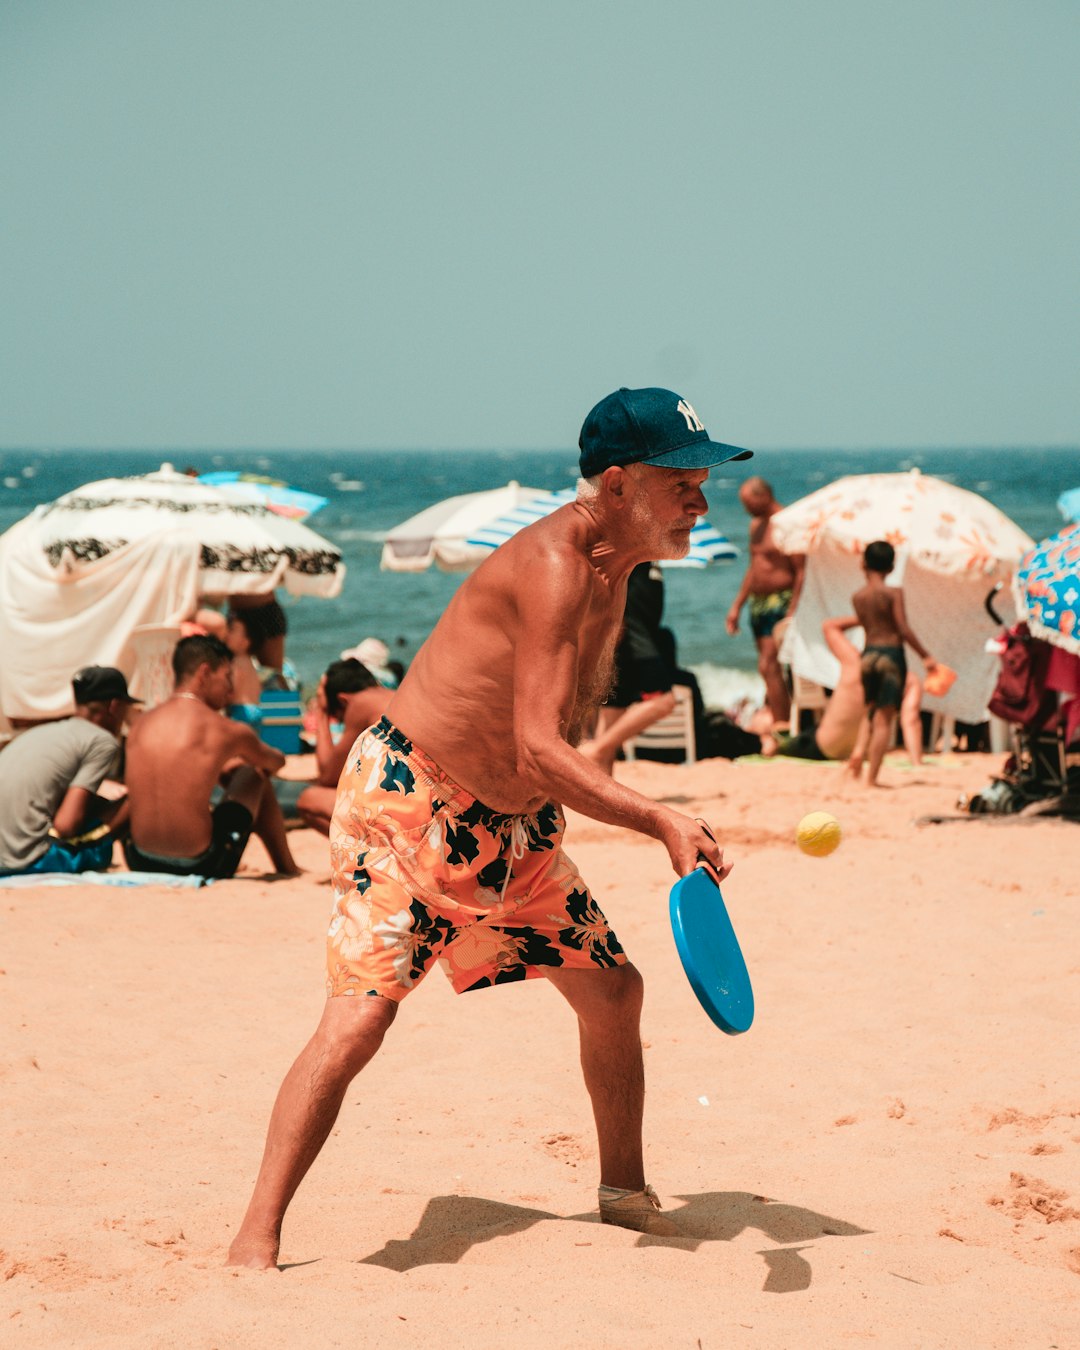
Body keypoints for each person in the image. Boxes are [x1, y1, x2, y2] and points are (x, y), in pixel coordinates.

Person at [226, 385, 750, 1268]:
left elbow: (553, 739)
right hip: (408, 806)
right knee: (357, 1027)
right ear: (618, 485)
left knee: (615, 993)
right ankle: (255, 1238)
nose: (702, 499)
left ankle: (623, 1194)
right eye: (682, 481)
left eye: (704, 481)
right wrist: (656, 815)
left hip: (514, 831)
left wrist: (583, 804)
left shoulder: (617, 567)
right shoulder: (554, 565)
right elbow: (539, 744)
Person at [123, 635, 300, 878]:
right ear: (204, 673)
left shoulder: (140, 724)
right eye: (227, 677)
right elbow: (275, 762)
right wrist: (242, 763)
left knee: (232, 771)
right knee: (253, 774)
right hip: (198, 862)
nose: (230, 690)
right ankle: (288, 867)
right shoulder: (224, 729)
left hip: (138, 857)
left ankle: (288, 867)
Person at [0, 666, 138, 877]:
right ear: (114, 706)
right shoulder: (102, 741)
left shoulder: (44, 733)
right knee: (138, 798)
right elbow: (66, 826)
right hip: (27, 860)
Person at [847, 541, 937, 787]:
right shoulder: (893, 593)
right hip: (890, 655)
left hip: (867, 655)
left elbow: (868, 627)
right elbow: (902, 628)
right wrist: (926, 656)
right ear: (891, 566)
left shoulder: (858, 597)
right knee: (885, 719)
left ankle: (857, 756)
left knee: (870, 711)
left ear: (863, 563)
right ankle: (872, 778)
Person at [579, 562, 679, 773]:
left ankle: (600, 801)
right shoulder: (631, 546)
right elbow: (603, 584)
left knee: (610, 721)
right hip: (630, 636)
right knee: (664, 701)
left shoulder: (650, 553)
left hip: (634, 638)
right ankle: (595, 749)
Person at [725, 478, 805, 726]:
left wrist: (792, 610)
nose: (746, 509)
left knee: (768, 665)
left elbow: (801, 571)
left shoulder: (787, 524)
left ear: (764, 496)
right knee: (769, 668)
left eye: (749, 504)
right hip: (758, 603)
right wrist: (737, 605)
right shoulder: (756, 526)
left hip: (780, 601)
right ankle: (779, 717)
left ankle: (782, 725)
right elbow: (754, 568)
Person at [295, 659, 393, 834]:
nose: (343, 722)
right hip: (435, 804)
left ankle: (375, 856)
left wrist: (322, 712)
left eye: (339, 718)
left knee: (309, 800)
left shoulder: (360, 704)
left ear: (343, 700)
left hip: (404, 817)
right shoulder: (393, 696)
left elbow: (328, 775)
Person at [765, 618, 866, 761]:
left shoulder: (851, 662)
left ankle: (772, 745)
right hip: (843, 744)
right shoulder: (882, 674)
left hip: (823, 744)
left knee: (783, 748)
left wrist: (863, 617)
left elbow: (829, 626)